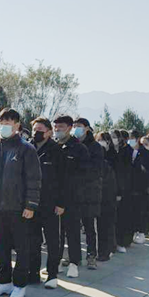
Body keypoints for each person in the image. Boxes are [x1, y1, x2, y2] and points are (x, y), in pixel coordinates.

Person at [0, 108, 41, 297]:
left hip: (19, 208)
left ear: (17, 125)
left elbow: (34, 179)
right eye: (1, 123)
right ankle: (4, 281)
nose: (4, 127)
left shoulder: (26, 149)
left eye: (8, 123)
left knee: (22, 248)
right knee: (1, 246)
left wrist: (30, 205)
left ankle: (20, 284)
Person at [29, 117, 64, 288]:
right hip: (31, 202)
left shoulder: (56, 150)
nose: (36, 133)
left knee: (52, 240)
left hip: (50, 202)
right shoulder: (28, 148)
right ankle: (33, 273)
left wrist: (61, 203)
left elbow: (64, 179)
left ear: (49, 132)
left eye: (40, 130)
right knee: (32, 240)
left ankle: (52, 274)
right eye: (34, 129)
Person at [54, 115, 88, 278]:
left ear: (69, 128)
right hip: (54, 197)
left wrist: (69, 197)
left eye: (60, 127)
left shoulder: (79, 148)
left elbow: (82, 175)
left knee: (72, 231)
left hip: (73, 198)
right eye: (55, 127)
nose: (57, 130)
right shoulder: (53, 146)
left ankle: (74, 263)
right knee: (56, 233)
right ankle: (57, 261)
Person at [72, 118, 104, 270]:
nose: (76, 129)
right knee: (72, 227)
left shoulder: (95, 147)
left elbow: (97, 169)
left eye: (79, 126)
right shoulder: (72, 144)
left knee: (89, 226)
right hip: (73, 192)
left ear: (86, 128)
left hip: (89, 192)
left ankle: (91, 255)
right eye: (74, 126)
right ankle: (74, 257)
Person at [125, 131, 149, 246]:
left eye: (131, 138)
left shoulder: (145, 153)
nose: (129, 140)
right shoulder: (128, 151)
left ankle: (141, 232)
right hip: (130, 185)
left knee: (141, 210)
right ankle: (132, 233)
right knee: (131, 210)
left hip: (142, 186)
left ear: (137, 139)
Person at [95, 131, 118, 261]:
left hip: (108, 196)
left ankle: (106, 250)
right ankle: (105, 249)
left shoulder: (112, 158)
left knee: (106, 224)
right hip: (98, 195)